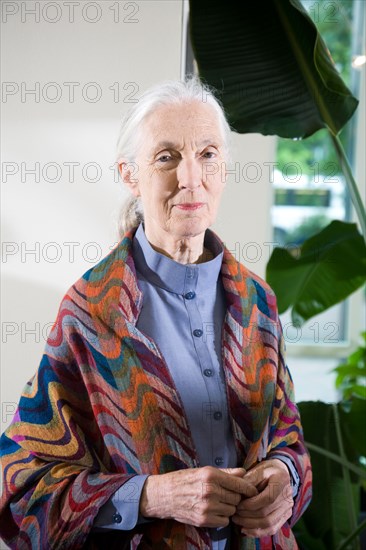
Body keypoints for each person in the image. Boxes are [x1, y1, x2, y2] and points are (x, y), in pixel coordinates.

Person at [0, 77, 312, 550]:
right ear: (130, 174)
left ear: (224, 169)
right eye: (167, 157)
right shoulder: (92, 311)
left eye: (207, 155)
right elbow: (20, 480)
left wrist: (283, 474)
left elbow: (288, 436)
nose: (190, 178)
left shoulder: (257, 303)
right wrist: (151, 495)